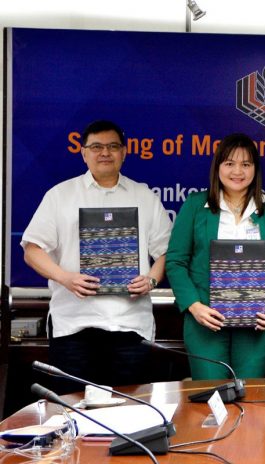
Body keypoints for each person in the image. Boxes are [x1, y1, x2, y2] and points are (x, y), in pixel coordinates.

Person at [22, 120, 172, 392]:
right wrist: (65, 278)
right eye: (97, 147)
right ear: (83, 152)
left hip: (129, 326)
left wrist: (151, 279)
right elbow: (32, 250)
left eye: (113, 146)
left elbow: (166, 251)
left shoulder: (144, 196)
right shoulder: (60, 195)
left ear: (124, 152)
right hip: (74, 326)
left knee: (130, 414)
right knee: (71, 415)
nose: (105, 153)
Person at [166, 133, 265, 379]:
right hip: (205, 322)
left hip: (254, 323)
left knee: (250, 401)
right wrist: (194, 306)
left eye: (246, 164)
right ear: (218, 167)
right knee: (210, 400)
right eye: (230, 163)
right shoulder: (194, 205)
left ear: (255, 169)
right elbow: (176, 262)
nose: (238, 171)